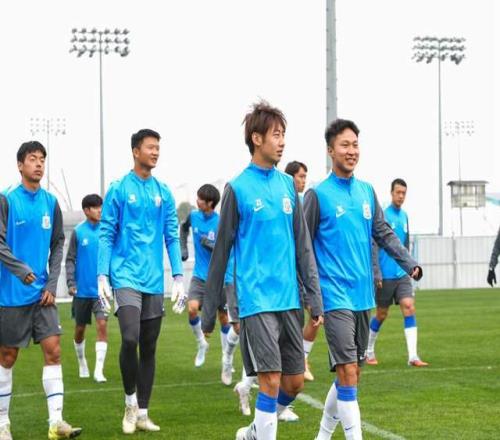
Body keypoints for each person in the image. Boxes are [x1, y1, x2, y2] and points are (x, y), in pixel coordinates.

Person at [201, 101, 323, 440]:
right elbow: (221, 253)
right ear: (257, 139)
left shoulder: (287, 186)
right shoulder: (237, 188)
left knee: (293, 383)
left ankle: (253, 432)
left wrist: (314, 297)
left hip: (289, 299)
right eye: (276, 135)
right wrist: (210, 312)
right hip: (256, 302)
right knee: (269, 379)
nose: (282, 142)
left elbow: (303, 246)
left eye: (283, 135)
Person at [304, 120, 422, 440]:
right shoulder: (317, 195)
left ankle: (322, 436)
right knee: (347, 370)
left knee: (352, 373)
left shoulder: (367, 191)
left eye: (355, 144)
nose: (351, 150)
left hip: (362, 295)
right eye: (344, 144)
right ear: (330, 150)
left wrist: (409, 263)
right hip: (333, 295)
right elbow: (303, 247)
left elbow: (383, 233)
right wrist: (310, 294)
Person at [98, 129, 186, 434]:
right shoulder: (119, 188)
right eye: (150, 147)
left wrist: (178, 277)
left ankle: (144, 412)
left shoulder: (164, 192)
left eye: (158, 147)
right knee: (130, 338)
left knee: (149, 346)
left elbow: (171, 235)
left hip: (153, 280)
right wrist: (102, 274)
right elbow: (106, 233)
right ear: (136, 151)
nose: (156, 152)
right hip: (125, 276)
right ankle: (130, 403)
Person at [0, 141, 82, 440]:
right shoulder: (7, 199)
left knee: (54, 351)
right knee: (7, 357)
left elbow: (58, 243)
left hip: (42, 295)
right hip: (10, 294)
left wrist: (51, 283)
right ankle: (2, 423)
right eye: (32, 159)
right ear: (20, 165)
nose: (38, 164)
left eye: (42, 159)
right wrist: (21, 271)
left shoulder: (50, 202)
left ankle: (56, 423)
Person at [366, 179, 428, 367]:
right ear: (391, 193)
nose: (401, 196)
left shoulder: (405, 216)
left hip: (401, 275)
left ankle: (413, 356)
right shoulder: (383, 215)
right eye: (398, 192)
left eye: (403, 193)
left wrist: (410, 266)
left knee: (409, 306)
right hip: (385, 275)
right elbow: (374, 245)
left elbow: (405, 245)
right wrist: (376, 271)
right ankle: (368, 350)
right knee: (381, 314)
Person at [180, 184, 233, 379]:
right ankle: (202, 343)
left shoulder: (220, 222)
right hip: (200, 276)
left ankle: (226, 359)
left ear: (210, 203)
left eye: (201, 199)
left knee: (224, 318)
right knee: (192, 309)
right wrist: (184, 249)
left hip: (220, 278)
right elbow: (183, 230)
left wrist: (211, 244)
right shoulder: (193, 216)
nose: (197, 201)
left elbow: (227, 248)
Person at [66, 193, 109, 382]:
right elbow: (70, 259)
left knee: (102, 325)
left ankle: (99, 371)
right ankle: (82, 361)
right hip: (82, 291)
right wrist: (71, 283)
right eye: (96, 207)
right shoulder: (78, 232)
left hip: (101, 291)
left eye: (101, 207)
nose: (100, 210)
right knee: (80, 329)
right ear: (86, 211)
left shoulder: (107, 231)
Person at [285, 160, 317, 385]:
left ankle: (302, 358)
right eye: (300, 176)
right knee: (289, 326)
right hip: (290, 273)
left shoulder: (306, 201)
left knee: (316, 317)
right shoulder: (285, 202)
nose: (304, 181)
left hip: (306, 271)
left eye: (305, 176)